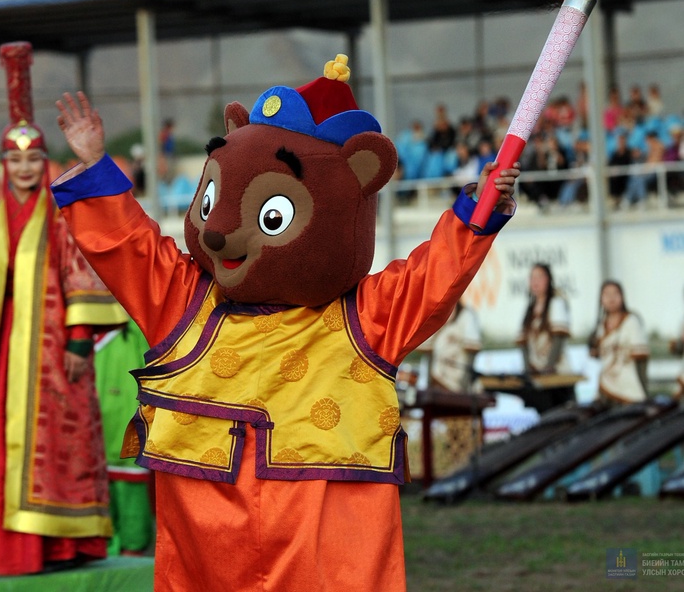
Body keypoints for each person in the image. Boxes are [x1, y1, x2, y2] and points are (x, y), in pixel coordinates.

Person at [50, 54, 518, 591]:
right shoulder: (186, 302)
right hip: (208, 545)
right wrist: (93, 166)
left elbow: (432, 278)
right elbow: (130, 247)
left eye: (270, 216)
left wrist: (477, 214)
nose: (222, 229)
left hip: (322, 541)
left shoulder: (363, 319)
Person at [0, 42, 127, 576]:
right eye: (15, 159)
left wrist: (78, 341)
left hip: (54, 358)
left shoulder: (59, 212)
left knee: (59, 446)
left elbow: (82, 273)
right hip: (3, 363)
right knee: (6, 450)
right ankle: (14, 551)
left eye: (33, 158)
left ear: (44, 160)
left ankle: (62, 546)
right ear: (3, 163)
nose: (25, 167)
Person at [93, 321, 154, 556]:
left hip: (126, 428)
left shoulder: (133, 325)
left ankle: (133, 547)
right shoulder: (75, 328)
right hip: (87, 435)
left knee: (131, 491)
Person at [588, 280, 649, 404]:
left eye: (615, 294)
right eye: (606, 294)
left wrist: (644, 390)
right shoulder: (601, 325)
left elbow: (641, 359)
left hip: (628, 388)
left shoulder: (631, 321)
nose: (611, 298)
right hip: (606, 385)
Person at [517, 263, 571, 377]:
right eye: (532, 277)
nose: (535, 281)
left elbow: (558, 339)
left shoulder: (556, 303)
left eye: (540, 277)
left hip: (557, 373)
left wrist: (549, 368)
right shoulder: (530, 308)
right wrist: (528, 370)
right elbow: (523, 343)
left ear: (548, 279)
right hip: (535, 371)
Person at [418, 301, 482, 394]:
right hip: (435, 384)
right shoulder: (435, 313)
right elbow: (421, 347)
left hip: (457, 386)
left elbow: (473, 346)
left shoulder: (466, 315)